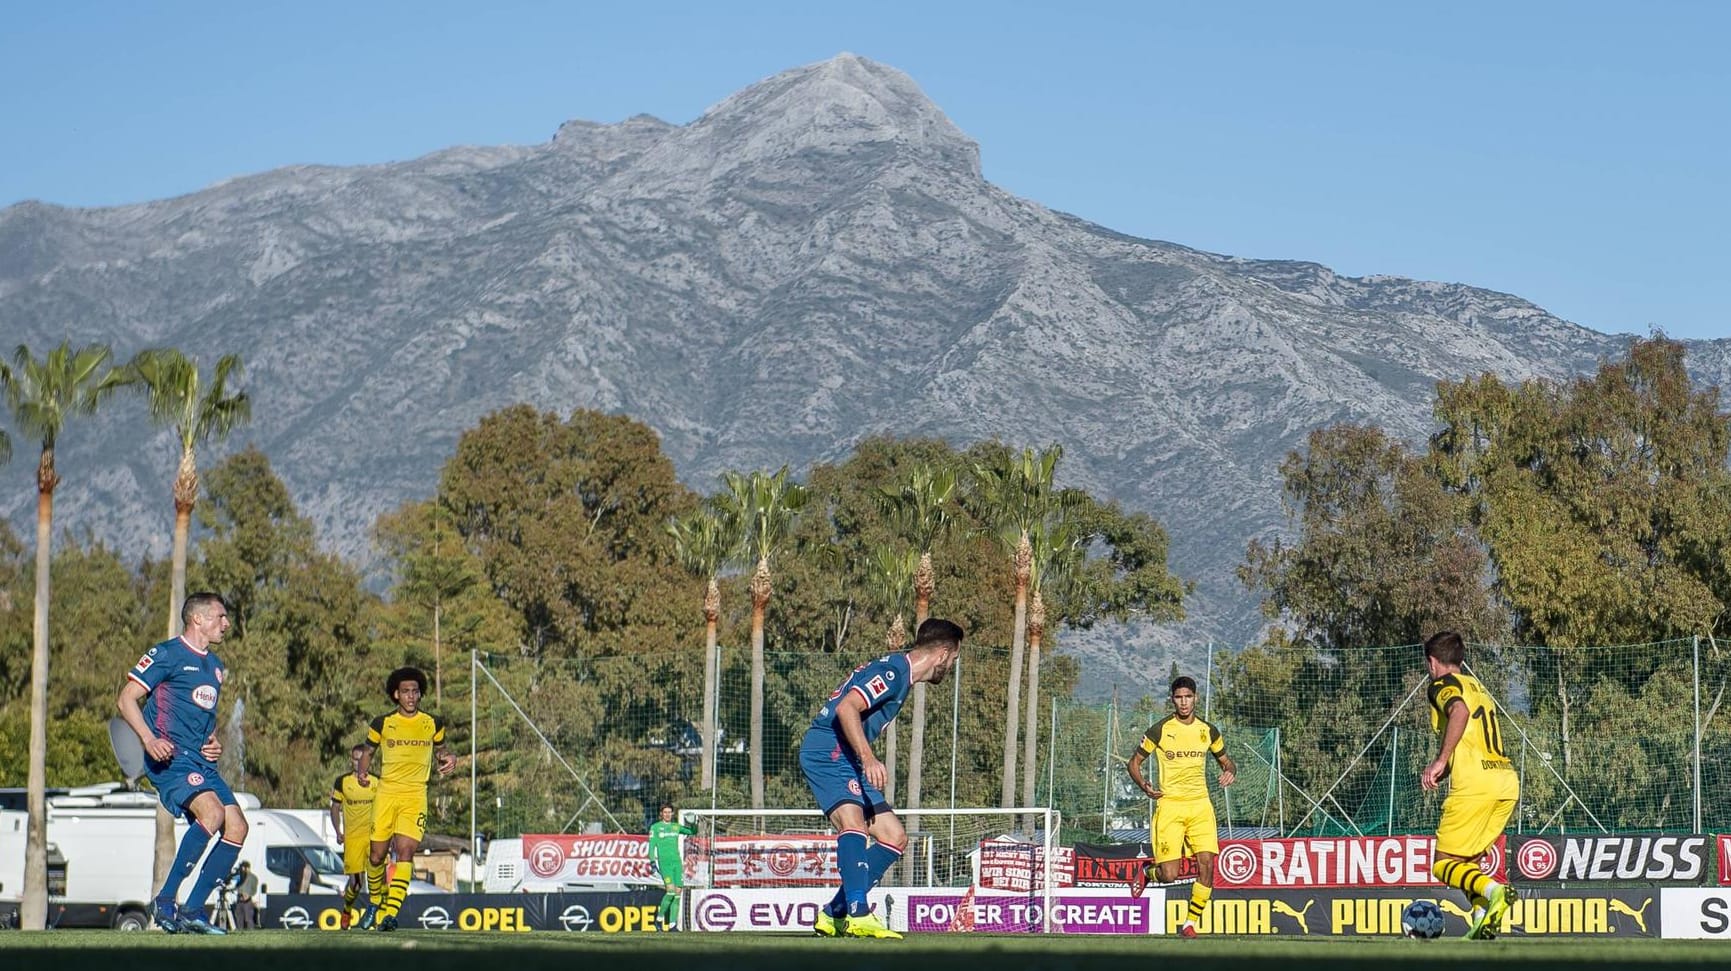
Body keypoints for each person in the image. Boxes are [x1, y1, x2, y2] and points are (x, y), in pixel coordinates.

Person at [798, 618, 964, 940]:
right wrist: (868, 756)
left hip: (845, 755)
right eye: (954, 659)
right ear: (942, 654)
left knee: (893, 836)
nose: (952, 666)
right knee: (854, 823)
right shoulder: (894, 672)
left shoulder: (900, 676)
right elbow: (847, 708)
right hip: (829, 749)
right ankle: (859, 913)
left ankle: (835, 914)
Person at [116, 592, 247, 936]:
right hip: (169, 758)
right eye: (220, 617)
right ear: (198, 619)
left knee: (237, 827)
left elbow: (204, 715)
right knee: (213, 814)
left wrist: (213, 740)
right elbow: (126, 699)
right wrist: (149, 739)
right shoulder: (166, 653)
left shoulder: (216, 667)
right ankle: (166, 900)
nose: (226, 624)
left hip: (199, 760)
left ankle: (192, 910)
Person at [1420, 631, 1519, 939]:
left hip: (1476, 786)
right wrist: (1445, 766)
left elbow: (1458, 712)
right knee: (1468, 863)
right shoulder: (1478, 687)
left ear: (1433, 662)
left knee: (1442, 865)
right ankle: (1480, 921)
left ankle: (1495, 893)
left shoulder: (1441, 685)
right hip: (1505, 782)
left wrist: (1439, 761)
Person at [1125, 675, 1236, 937]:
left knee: (1207, 863)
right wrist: (1145, 786)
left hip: (1200, 806)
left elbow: (1227, 762)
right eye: (1179, 697)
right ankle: (1148, 872)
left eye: (1188, 697)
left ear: (1195, 698)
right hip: (1170, 807)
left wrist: (1231, 770)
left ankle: (1190, 924)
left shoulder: (1208, 730)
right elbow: (1134, 764)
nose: (1184, 702)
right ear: (1172, 700)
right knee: (1170, 874)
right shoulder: (1160, 729)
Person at [358, 666, 456, 932]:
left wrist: (449, 758)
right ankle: (376, 902)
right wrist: (362, 771)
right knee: (377, 856)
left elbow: (441, 750)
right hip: (386, 794)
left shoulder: (432, 723)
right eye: (405, 692)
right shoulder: (382, 723)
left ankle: (390, 914)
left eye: (415, 691)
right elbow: (367, 751)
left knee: (405, 853)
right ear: (395, 695)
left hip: (415, 796)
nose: (411, 696)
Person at [329, 743, 377, 927]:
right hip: (353, 838)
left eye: (362, 760)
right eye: (355, 759)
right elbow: (335, 807)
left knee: (377, 879)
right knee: (356, 883)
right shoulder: (342, 782)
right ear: (351, 760)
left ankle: (376, 915)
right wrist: (338, 831)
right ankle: (347, 909)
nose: (358, 763)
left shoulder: (377, 782)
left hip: (374, 837)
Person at [649, 804, 696, 931]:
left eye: (669, 812)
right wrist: (653, 863)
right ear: (661, 814)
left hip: (677, 863)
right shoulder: (655, 828)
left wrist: (693, 823)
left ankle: (672, 925)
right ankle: (658, 920)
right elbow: (651, 847)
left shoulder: (676, 827)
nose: (667, 814)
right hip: (665, 864)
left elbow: (692, 832)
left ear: (672, 814)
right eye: (665, 812)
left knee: (677, 894)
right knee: (670, 891)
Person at [229, 860, 259, 930]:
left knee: (248, 918)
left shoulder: (253, 878)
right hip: (239, 899)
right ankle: (240, 930)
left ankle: (251, 931)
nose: (242, 869)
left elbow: (254, 889)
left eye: (244, 867)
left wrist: (249, 895)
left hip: (247, 901)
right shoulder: (240, 876)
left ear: (248, 868)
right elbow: (236, 884)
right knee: (239, 917)